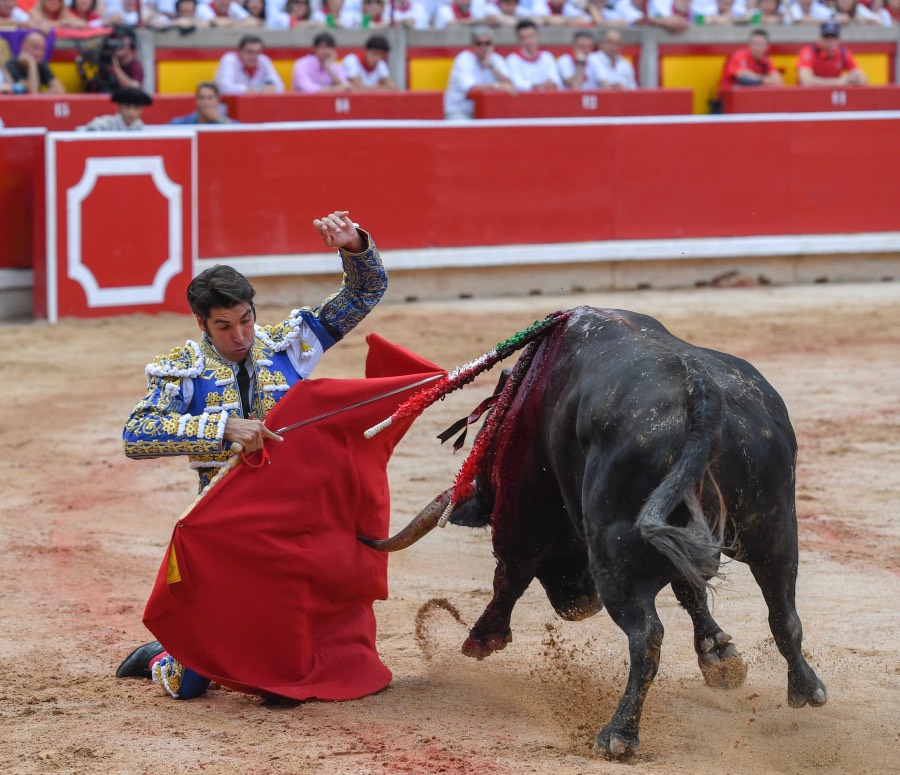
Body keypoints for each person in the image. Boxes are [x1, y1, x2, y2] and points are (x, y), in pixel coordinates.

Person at [117, 211, 388, 700]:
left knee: (281, 681)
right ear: (202, 323)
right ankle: (163, 655)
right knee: (190, 684)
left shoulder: (288, 346)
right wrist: (222, 428)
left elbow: (362, 296)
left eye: (246, 320)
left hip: (294, 520)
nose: (240, 336)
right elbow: (136, 435)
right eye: (224, 326)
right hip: (223, 528)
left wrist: (354, 250)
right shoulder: (183, 372)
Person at [444, 25, 515, 120]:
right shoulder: (463, 59)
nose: (483, 47)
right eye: (479, 43)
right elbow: (472, 90)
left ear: (492, 45)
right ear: (473, 45)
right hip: (461, 110)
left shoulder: (496, 59)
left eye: (487, 43)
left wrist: (491, 67)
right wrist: (497, 86)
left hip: (488, 110)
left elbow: (510, 85)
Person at [797, 21, 868, 86]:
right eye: (827, 37)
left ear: (839, 40)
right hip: (809, 96)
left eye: (833, 37)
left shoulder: (843, 53)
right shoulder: (809, 52)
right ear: (821, 39)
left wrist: (853, 78)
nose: (830, 41)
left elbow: (863, 79)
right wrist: (837, 82)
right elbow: (806, 81)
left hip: (832, 96)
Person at [214, 35, 284, 95]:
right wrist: (258, 90)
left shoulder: (264, 60)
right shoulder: (229, 60)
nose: (254, 56)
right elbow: (224, 87)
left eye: (257, 52)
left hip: (256, 105)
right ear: (240, 51)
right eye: (250, 52)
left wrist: (257, 91)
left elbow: (280, 86)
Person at [506, 19, 562, 91]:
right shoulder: (512, 59)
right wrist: (541, 85)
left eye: (531, 36)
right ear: (518, 40)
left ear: (537, 36)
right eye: (523, 38)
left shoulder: (547, 57)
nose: (528, 41)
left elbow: (556, 82)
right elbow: (518, 84)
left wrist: (537, 85)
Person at [718, 28, 783, 91]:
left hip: (753, 96)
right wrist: (766, 79)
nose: (757, 47)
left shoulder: (765, 59)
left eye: (760, 44)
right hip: (730, 97)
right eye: (754, 43)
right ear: (749, 44)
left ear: (767, 46)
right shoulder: (739, 56)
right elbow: (744, 78)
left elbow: (778, 81)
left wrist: (758, 78)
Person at [4, 30, 65, 94]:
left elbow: (59, 90)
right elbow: (32, 92)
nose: (38, 53)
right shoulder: (11, 65)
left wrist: (40, 95)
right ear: (23, 46)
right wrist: (32, 64)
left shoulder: (41, 64)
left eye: (42, 49)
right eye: (35, 47)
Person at [80, 86, 152, 130]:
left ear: (142, 110)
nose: (131, 112)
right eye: (127, 106)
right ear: (119, 107)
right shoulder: (103, 125)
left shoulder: (139, 126)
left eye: (137, 108)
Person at [169, 81, 234, 124]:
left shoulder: (223, 121)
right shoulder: (187, 122)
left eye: (209, 98)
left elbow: (240, 130)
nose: (205, 102)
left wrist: (220, 120)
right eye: (201, 98)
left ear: (217, 100)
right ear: (196, 101)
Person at [196, 0, 261, 26]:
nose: (225, 3)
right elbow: (217, 23)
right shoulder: (204, 7)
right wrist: (242, 22)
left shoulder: (232, 6)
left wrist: (228, 23)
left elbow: (253, 21)